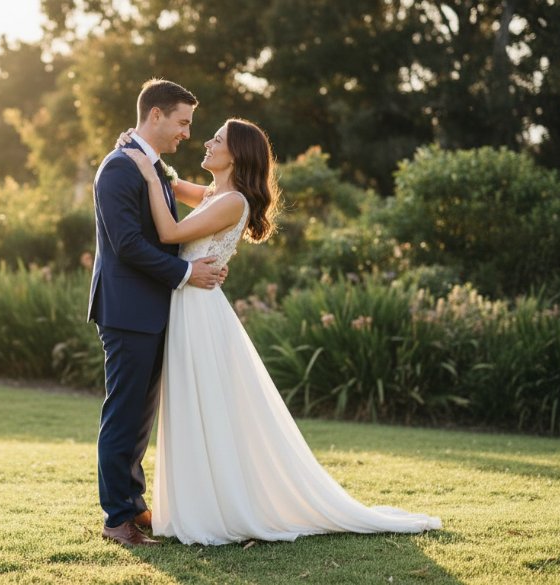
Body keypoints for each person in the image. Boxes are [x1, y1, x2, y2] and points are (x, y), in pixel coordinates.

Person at [120, 117, 443, 546]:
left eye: (217, 139)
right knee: (193, 402)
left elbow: (170, 231)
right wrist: (152, 161)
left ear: (236, 154)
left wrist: (144, 172)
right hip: (190, 303)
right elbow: (175, 188)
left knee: (206, 403)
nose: (207, 142)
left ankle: (220, 506)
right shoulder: (217, 193)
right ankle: (199, 500)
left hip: (198, 309)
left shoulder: (232, 201)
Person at [86, 79, 226, 547]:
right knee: (124, 414)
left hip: (148, 309)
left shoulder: (150, 166)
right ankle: (116, 519)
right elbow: (127, 245)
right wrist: (186, 273)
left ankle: (134, 505)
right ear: (156, 116)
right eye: (183, 122)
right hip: (127, 310)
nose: (187, 132)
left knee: (140, 416)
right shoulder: (119, 169)